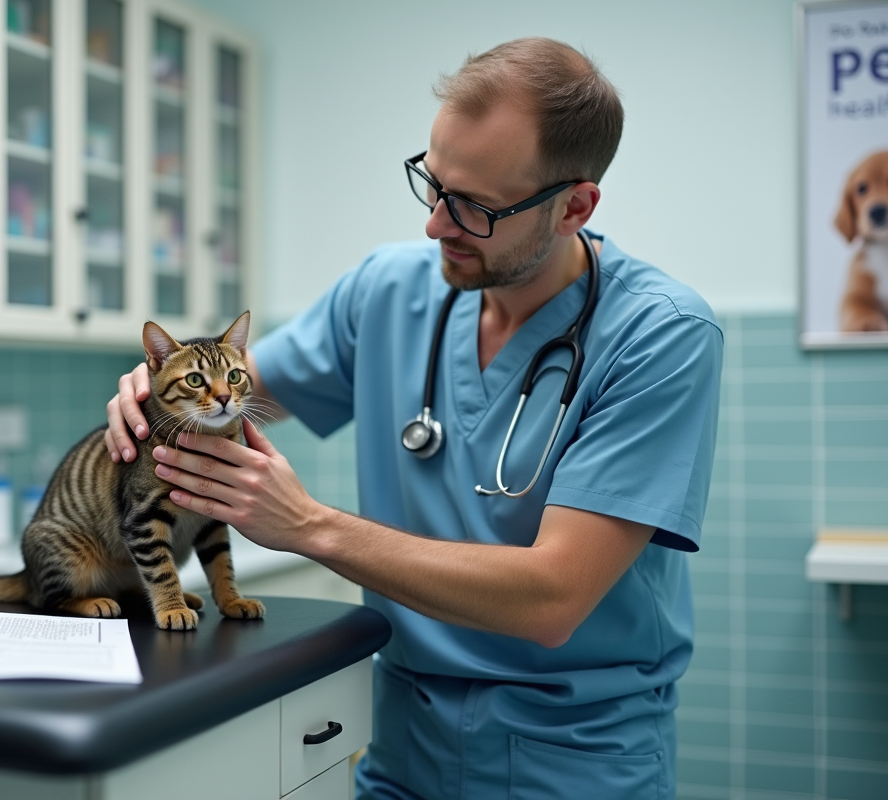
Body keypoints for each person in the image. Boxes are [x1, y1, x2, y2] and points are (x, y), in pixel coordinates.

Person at [106, 37, 722, 800]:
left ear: (575, 206)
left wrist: (308, 526)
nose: (436, 226)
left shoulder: (661, 335)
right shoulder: (384, 291)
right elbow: (227, 391)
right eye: (432, 186)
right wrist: (146, 395)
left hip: (573, 763)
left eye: (474, 209)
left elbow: (553, 599)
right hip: (401, 751)